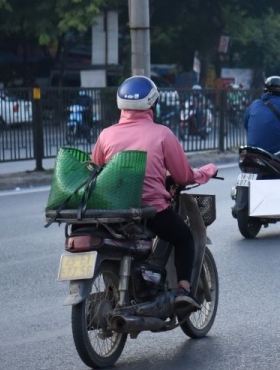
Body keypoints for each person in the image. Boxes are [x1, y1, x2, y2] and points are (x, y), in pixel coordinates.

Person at [92, 76, 218, 310]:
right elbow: (183, 177)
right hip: (150, 210)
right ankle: (183, 289)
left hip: (113, 210)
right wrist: (206, 171)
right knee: (183, 238)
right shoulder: (162, 134)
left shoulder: (106, 135)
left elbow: (96, 169)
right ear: (153, 104)